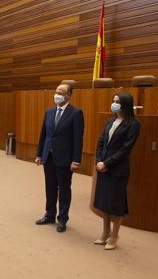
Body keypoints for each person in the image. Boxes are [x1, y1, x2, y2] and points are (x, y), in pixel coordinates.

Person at [93, 93, 141, 250]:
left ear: (126, 104)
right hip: (103, 168)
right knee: (105, 202)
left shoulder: (133, 124)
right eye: (113, 101)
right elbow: (101, 142)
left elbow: (126, 149)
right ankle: (105, 232)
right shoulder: (110, 121)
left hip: (118, 169)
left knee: (117, 203)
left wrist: (107, 163)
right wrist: (99, 161)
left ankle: (114, 235)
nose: (114, 104)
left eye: (118, 102)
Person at [35, 83, 84, 232]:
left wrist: (76, 160)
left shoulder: (76, 113)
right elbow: (43, 135)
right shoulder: (49, 112)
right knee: (50, 187)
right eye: (56, 91)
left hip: (65, 158)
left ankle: (62, 219)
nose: (56, 94)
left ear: (68, 96)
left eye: (60, 92)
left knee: (63, 189)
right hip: (48, 156)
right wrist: (39, 154)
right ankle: (49, 214)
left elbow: (78, 139)